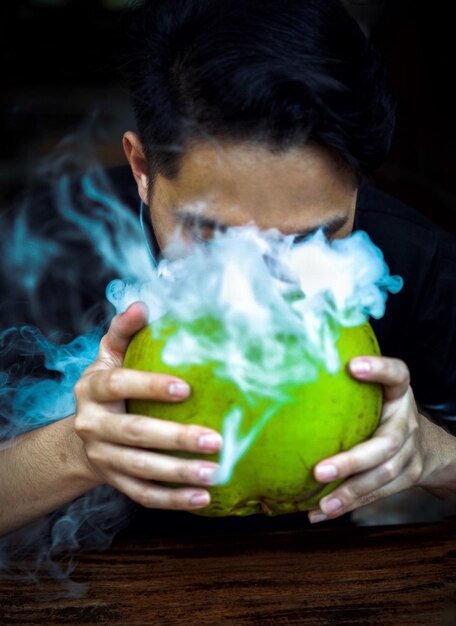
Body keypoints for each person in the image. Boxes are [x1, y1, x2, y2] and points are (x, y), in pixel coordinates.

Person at [0, 0, 455, 537]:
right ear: (143, 169)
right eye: (214, 236)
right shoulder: (40, 254)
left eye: (311, 237)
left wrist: (431, 452)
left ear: (357, 186)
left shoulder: (416, 259)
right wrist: (75, 449)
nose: (260, 284)